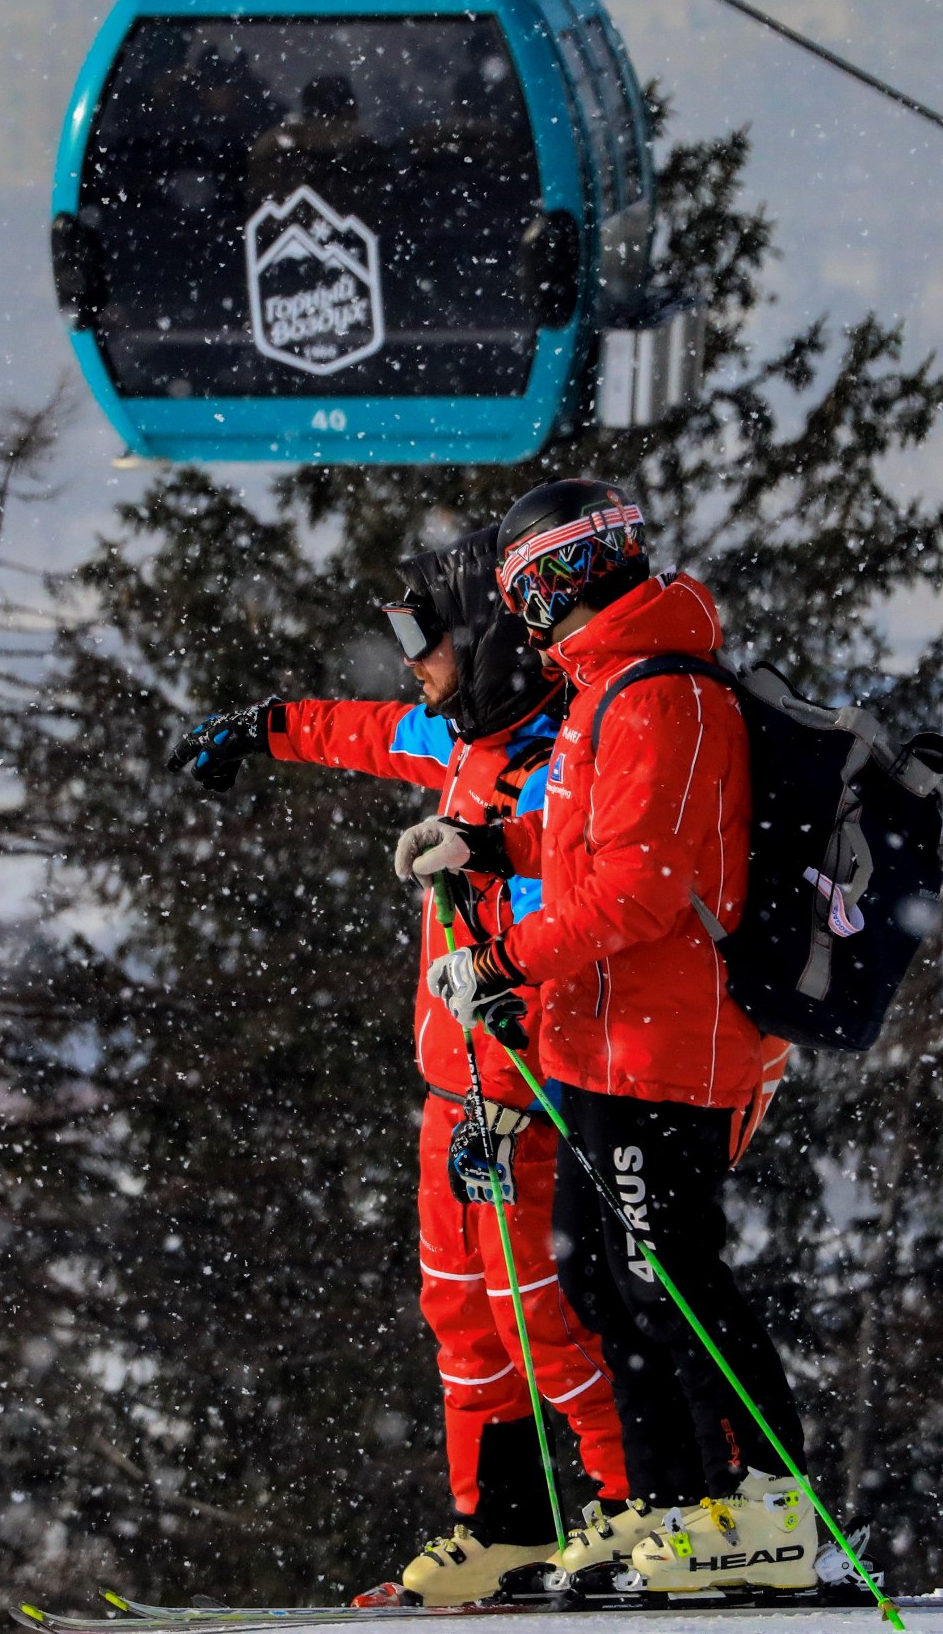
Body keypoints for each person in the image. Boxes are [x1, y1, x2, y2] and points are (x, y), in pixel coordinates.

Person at [169, 526, 629, 1606]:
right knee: (461, 1309)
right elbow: (368, 731)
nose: (412, 660)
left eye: (426, 635)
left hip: (526, 1093)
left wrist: (525, 1067)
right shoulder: (466, 743)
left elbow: (580, 923)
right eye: (400, 634)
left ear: (497, 643)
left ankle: (627, 1507)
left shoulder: (567, 760)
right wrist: (264, 728)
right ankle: (503, 1528)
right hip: (451, 1089)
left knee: (547, 1312)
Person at [395, 480, 811, 1595]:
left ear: (552, 582)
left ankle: (774, 1507)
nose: (514, 618)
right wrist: (492, 849)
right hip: (606, 1040)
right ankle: (670, 1505)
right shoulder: (606, 686)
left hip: (666, 1044)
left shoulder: (658, 693)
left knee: (666, 1275)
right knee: (596, 1273)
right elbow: (588, 842)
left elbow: (640, 888)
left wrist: (497, 960)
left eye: (519, 590)